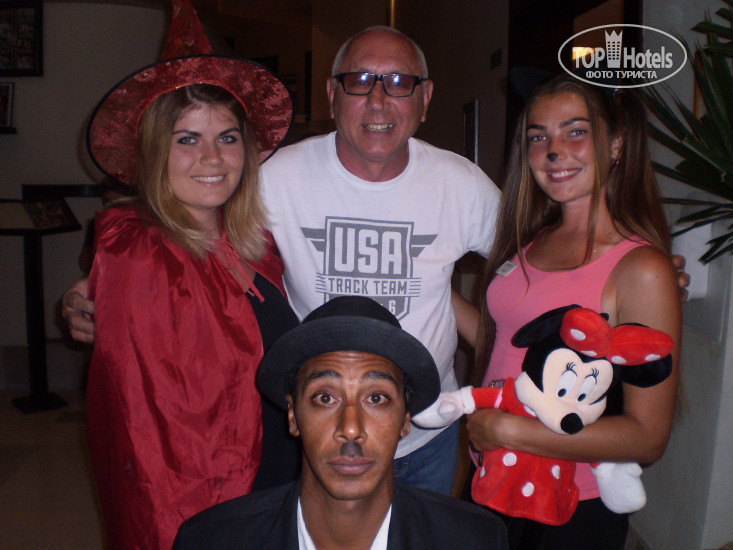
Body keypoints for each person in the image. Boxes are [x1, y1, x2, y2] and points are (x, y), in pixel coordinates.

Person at [63, 25, 503, 496]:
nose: (378, 101)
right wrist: (97, 289)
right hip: (317, 436)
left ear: (425, 97)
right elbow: (191, 233)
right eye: (359, 81)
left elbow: (533, 272)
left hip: (427, 432)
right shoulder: (276, 176)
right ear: (332, 95)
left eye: (399, 82)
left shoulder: (462, 184)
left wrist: (506, 361)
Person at [83, 1, 298, 548]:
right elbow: (148, 432)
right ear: (155, 150)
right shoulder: (138, 253)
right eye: (187, 139)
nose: (213, 157)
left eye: (227, 137)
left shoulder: (253, 244)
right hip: (203, 507)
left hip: (273, 476)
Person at [465, 74, 682, 550]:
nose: (554, 151)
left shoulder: (641, 268)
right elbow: (505, 342)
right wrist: (427, 288)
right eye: (538, 137)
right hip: (494, 476)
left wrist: (512, 430)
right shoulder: (532, 241)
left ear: (617, 144)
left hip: (568, 501)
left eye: (575, 131)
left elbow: (647, 436)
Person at [173, 295, 509, 550]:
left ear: (405, 419)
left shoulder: (475, 540)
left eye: (376, 398)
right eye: (325, 398)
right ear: (293, 416)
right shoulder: (211, 540)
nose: (350, 428)